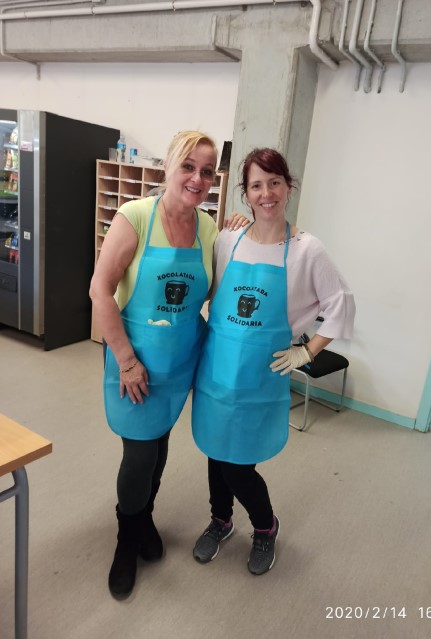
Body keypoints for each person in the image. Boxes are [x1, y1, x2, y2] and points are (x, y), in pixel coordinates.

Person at [89, 130, 247, 599]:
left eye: (207, 171)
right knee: (139, 453)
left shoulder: (208, 228)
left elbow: (215, 293)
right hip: (134, 358)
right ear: (168, 167)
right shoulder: (135, 216)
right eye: (188, 167)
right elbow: (100, 291)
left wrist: (240, 234)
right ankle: (126, 540)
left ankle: (144, 519)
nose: (198, 178)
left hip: (180, 359)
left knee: (159, 445)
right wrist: (126, 360)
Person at [191, 147, 356, 575]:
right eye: (256, 186)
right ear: (245, 194)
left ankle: (265, 527)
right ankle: (221, 521)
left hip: (259, 377)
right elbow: (206, 291)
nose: (266, 194)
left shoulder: (307, 250)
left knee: (238, 463)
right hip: (216, 370)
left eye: (274, 183)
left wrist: (307, 350)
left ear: (288, 187)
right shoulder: (228, 240)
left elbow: (341, 303)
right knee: (215, 451)